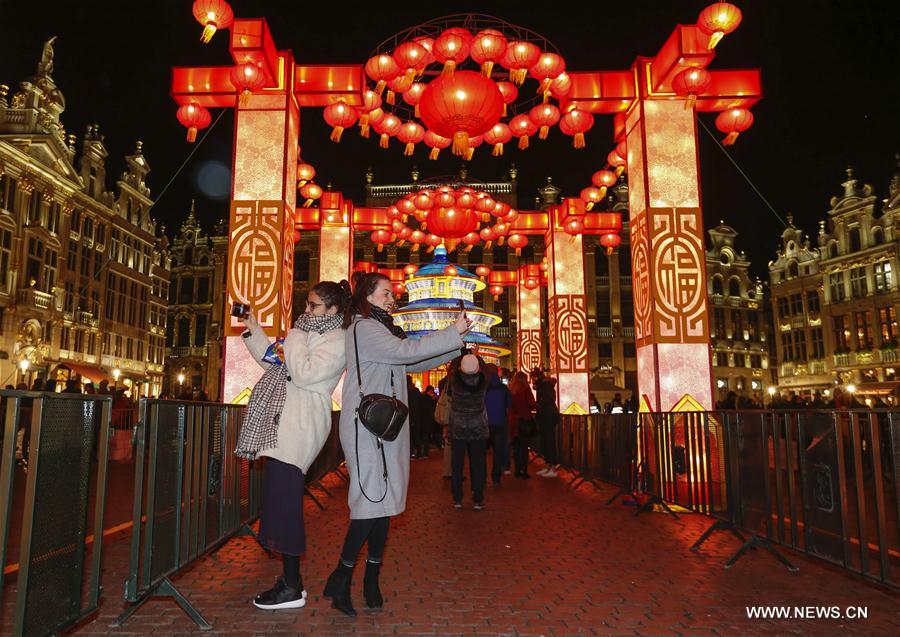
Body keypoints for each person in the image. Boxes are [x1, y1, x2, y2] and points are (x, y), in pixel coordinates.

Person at [324, 272, 468, 617]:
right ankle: (342, 577)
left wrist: (456, 343)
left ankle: (370, 577)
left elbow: (413, 360)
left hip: (386, 425)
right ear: (368, 297)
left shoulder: (381, 329)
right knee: (369, 502)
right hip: (367, 427)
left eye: (392, 293)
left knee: (385, 503)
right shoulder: (364, 328)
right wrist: (452, 333)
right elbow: (407, 351)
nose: (392, 298)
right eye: (386, 293)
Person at [236, 280, 350, 611]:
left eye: (313, 306)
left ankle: (292, 586)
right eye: (307, 304)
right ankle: (289, 581)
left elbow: (301, 372)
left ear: (332, 309)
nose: (306, 310)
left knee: (285, 504)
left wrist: (295, 334)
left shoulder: (337, 339)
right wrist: (253, 326)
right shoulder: (309, 333)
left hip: (301, 424)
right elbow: (273, 362)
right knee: (278, 500)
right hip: (282, 422)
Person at [449, 353, 489, 509]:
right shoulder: (483, 382)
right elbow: (486, 371)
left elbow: (452, 369)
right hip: (478, 427)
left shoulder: (454, 382)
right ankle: (478, 498)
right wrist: (478, 356)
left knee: (457, 464)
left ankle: (457, 498)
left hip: (458, 427)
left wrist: (458, 354)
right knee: (478, 464)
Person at [484, 363, 511, 484]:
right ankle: (496, 475)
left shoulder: (483, 387)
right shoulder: (503, 388)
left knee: (481, 452)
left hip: (484, 424)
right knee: (498, 451)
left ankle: (482, 476)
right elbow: (509, 404)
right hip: (500, 422)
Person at [508, 371, 537, 478]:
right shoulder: (526, 390)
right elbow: (532, 404)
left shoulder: (511, 391)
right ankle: (524, 470)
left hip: (514, 422)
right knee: (524, 448)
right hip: (525, 420)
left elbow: (509, 406)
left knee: (516, 447)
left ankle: (517, 470)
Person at [534, 371, 560, 478]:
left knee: (548, 440)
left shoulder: (544, 385)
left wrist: (539, 405)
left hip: (547, 417)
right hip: (546, 416)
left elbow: (548, 400)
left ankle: (552, 465)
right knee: (546, 440)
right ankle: (549, 464)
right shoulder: (544, 385)